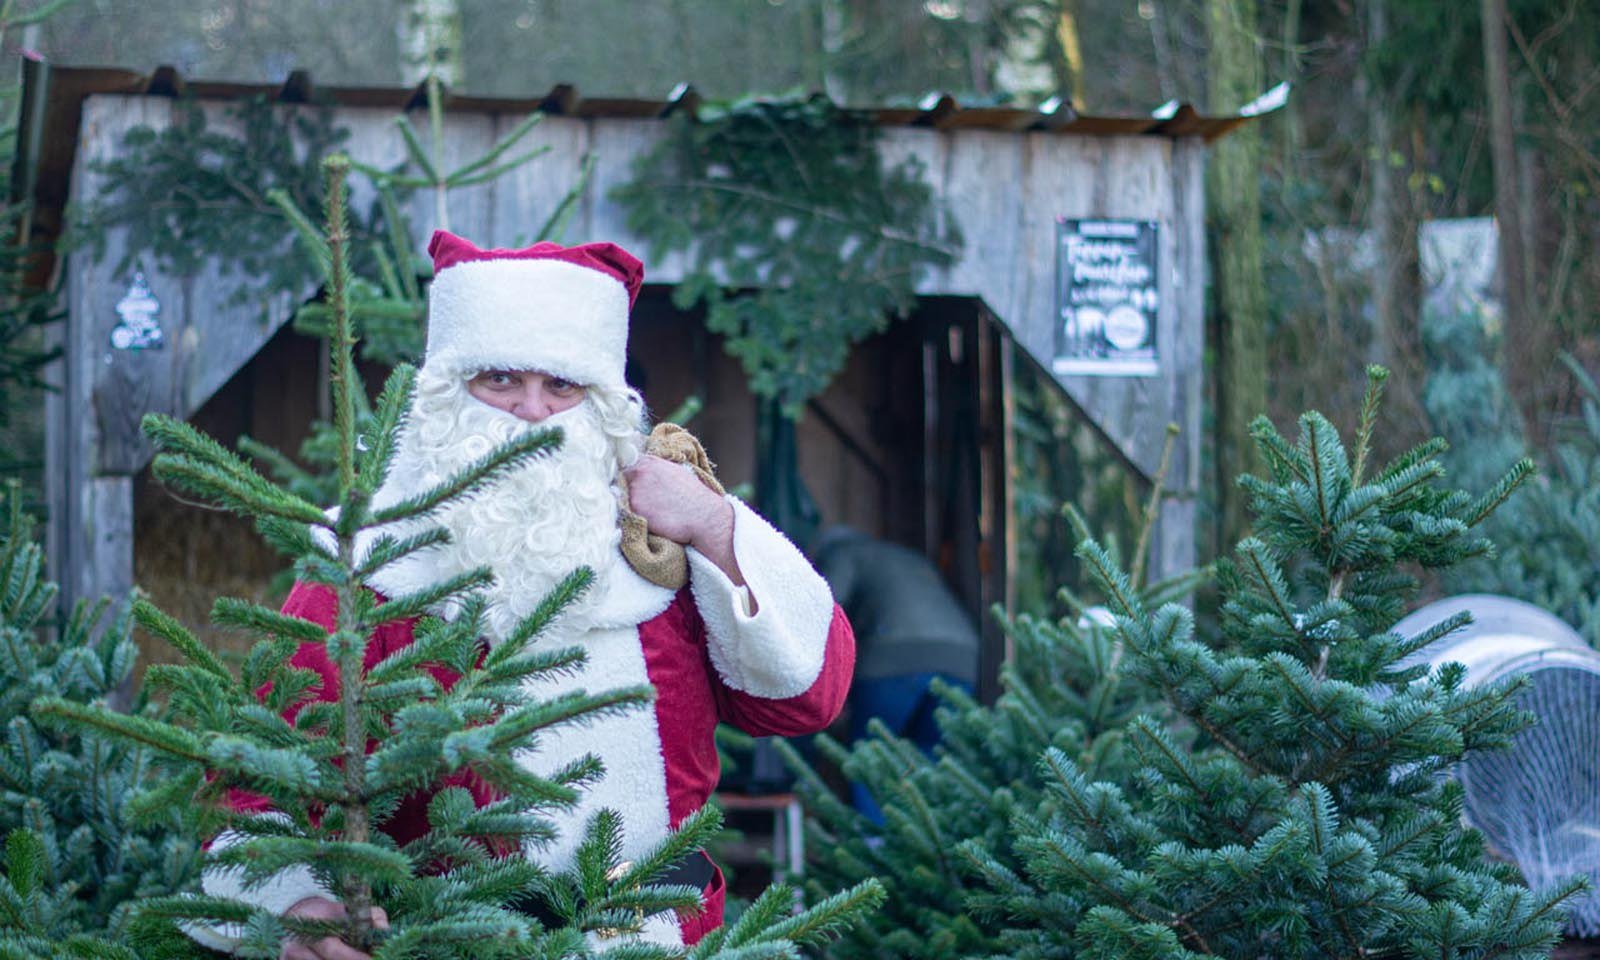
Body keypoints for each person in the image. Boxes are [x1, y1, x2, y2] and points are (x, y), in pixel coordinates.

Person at [197, 232, 856, 956]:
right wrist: (300, 904)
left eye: (561, 386)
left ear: (600, 404)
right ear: (449, 394)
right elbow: (256, 784)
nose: (533, 412)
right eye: (502, 381)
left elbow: (802, 698)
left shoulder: (659, 553)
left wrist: (715, 524)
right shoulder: (371, 568)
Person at [808, 526, 977, 823]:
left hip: (894, 657)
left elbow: (824, 608)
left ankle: (876, 849)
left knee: (870, 756)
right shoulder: (908, 558)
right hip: (961, 658)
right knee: (932, 757)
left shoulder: (842, 554)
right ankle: (929, 849)